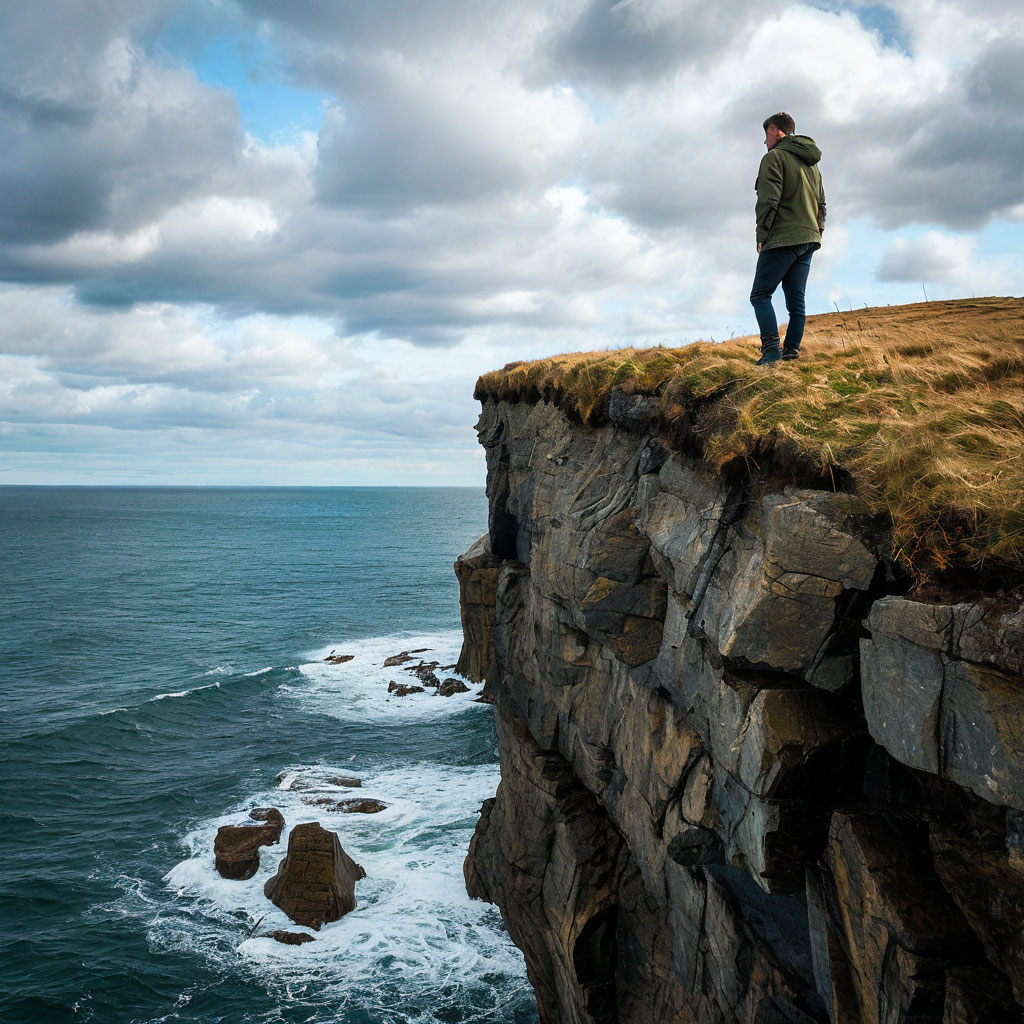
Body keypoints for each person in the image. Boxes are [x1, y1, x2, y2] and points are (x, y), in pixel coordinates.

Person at [750, 112, 826, 366]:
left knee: (760, 294)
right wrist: (817, 231)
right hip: (808, 238)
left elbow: (768, 200)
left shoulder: (775, 157)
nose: (764, 142)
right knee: (796, 301)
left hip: (783, 236)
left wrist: (762, 235)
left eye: (766, 135)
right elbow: (821, 203)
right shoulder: (812, 163)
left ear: (775, 130)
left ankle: (771, 352)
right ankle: (791, 351)